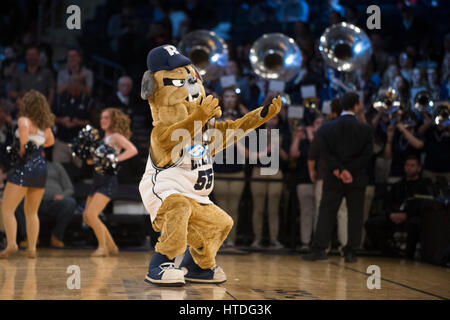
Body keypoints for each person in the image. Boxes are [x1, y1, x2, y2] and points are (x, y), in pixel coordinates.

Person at [303, 92, 373, 263]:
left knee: (326, 212)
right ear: (356, 106)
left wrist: (338, 170)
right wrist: (349, 171)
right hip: (356, 178)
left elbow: (324, 153)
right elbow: (367, 156)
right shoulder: (365, 128)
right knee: (355, 214)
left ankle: (319, 249)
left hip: (333, 177)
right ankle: (351, 251)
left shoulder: (327, 128)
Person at [0, 90, 55, 258]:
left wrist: (23, 150)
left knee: (7, 209)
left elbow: (23, 140)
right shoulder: (45, 125)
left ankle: (11, 245)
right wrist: (38, 144)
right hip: (41, 167)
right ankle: (32, 249)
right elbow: (50, 142)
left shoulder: (24, 120)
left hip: (25, 164)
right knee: (32, 212)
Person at [82, 108, 138, 257]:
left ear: (113, 120)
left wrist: (114, 159)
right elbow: (92, 162)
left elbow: (133, 150)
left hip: (108, 180)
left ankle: (103, 247)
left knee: (92, 214)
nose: (103, 121)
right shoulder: (103, 138)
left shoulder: (116, 137)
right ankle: (112, 246)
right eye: (101, 118)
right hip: (97, 180)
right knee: (87, 217)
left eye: (106, 118)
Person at [213, 87, 248, 247]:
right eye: (226, 96)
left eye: (233, 96)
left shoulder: (241, 118)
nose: (229, 99)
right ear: (222, 98)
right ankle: (221, 239)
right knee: (219, 209)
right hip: (218, 170)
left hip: (236, 170)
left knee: (233, 209)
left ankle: (232, 239)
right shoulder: (214, 117)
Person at [384, 155, 431, 259]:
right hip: (395, 215)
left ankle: (408, 255)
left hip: (412, 216)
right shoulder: (398, 185)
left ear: (419, 168)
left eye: (412, 165)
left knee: (414, 224)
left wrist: (407, 215)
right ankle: (389, 251)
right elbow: (388, 202)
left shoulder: (424, 184)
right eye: (407, 165)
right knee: (373, 224)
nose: (409, 168)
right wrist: (391, 214)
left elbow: (423, 204)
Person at [52, 75, 94, 167]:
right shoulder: (60, 99)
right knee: (59, 169)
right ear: (68, 87)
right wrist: (61, 120)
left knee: (78, 173)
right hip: (62, 141)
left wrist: (79, 123)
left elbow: (93, 122)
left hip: (79, 143)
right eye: (72, 89)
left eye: (77, 90)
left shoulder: (88, 101)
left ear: (81, 88)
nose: (74, 92)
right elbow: (51, 117)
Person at [38, 151, 77, 248]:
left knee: (70, 202)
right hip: (35, 202)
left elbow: (70, 188)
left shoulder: (56, 166)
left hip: (55, 202)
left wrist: (62, 195)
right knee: (20, 203)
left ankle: (56, 236)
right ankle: (27, 237)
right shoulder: (26, 168)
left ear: (43, 154)